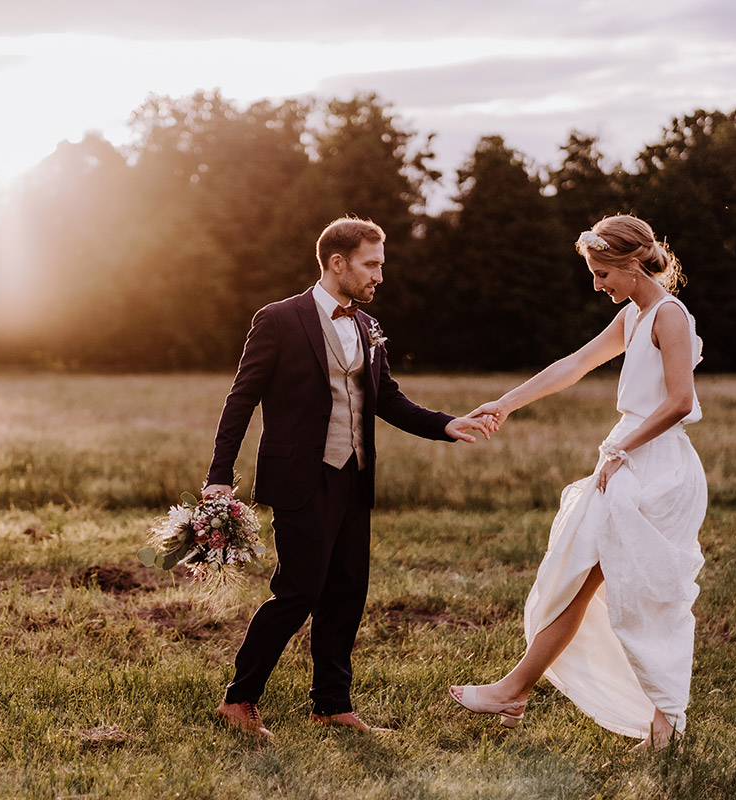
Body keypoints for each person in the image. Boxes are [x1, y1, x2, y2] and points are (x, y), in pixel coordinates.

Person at [205, 217, 489, 739]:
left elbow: (388, 400)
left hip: (354, 478)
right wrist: (219, 477)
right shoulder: (278, 319)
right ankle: (238, 700)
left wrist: (447, 424)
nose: (380, 276)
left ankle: (331, 705)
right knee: (298, 592)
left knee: (346, 593)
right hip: (300, 478)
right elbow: (240, 399)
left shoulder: (366, 328)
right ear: (338, 263)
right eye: (372, 264)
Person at [449, 214, 707, 751]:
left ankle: (661, 726)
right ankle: (516, 688)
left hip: (656, 469)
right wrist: (504, 403)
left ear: (631, 264)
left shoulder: (669, 316)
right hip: (624, 460)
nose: (596, 285)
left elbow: (680, 402)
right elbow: (574, 364)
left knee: (650, 595)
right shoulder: (635, 317)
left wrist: (621, 451)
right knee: (580, 575)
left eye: (600, 273)